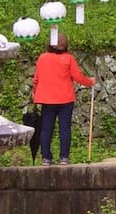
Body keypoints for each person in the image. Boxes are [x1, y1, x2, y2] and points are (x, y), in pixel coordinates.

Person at [32, 32, 95, 166]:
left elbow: (36, 79)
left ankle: (46, 158)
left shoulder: (42, 58)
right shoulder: (69, 58)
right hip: (65, 99)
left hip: (47, 99)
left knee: (46, 129)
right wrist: (90, 82)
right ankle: (64, 157)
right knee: (64, 128)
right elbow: (77, 76)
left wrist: (35, 93)